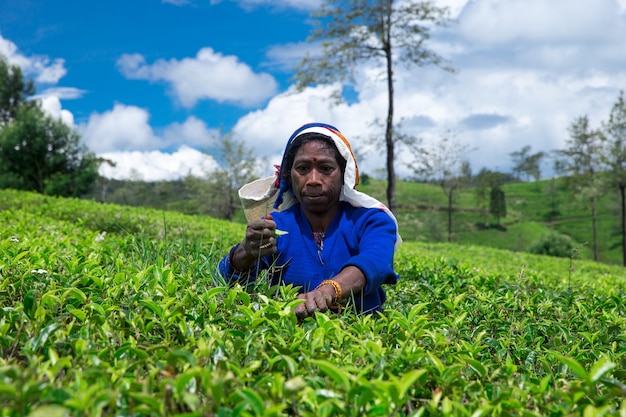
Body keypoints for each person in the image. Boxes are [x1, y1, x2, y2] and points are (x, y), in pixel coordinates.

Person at [218, 122, 401, 319]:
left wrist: (329, 291)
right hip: (291, 339)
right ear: (290, 176)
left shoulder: (371, 220)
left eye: (325, 168)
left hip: (362, 337)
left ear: (343, 174)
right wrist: (245, 252)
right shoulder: (276, 226)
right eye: (303, 168)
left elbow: (375, 261)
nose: (313, 179)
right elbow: (226, 281)